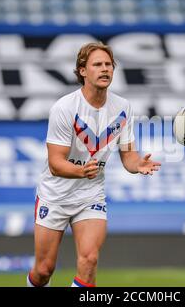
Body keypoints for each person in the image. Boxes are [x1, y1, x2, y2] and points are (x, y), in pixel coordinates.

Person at [27, 42, 161, 287]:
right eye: (97, 64)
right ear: (82, 71)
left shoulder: (122, 107)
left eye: (108, 64)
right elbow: (55, 163)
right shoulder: (65, 108)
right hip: (54, 195)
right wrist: (81, 171)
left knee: (89, 260)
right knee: (43, 270)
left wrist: (138, 164)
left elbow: (128, 156)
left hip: (91, 195)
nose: (104, 69)